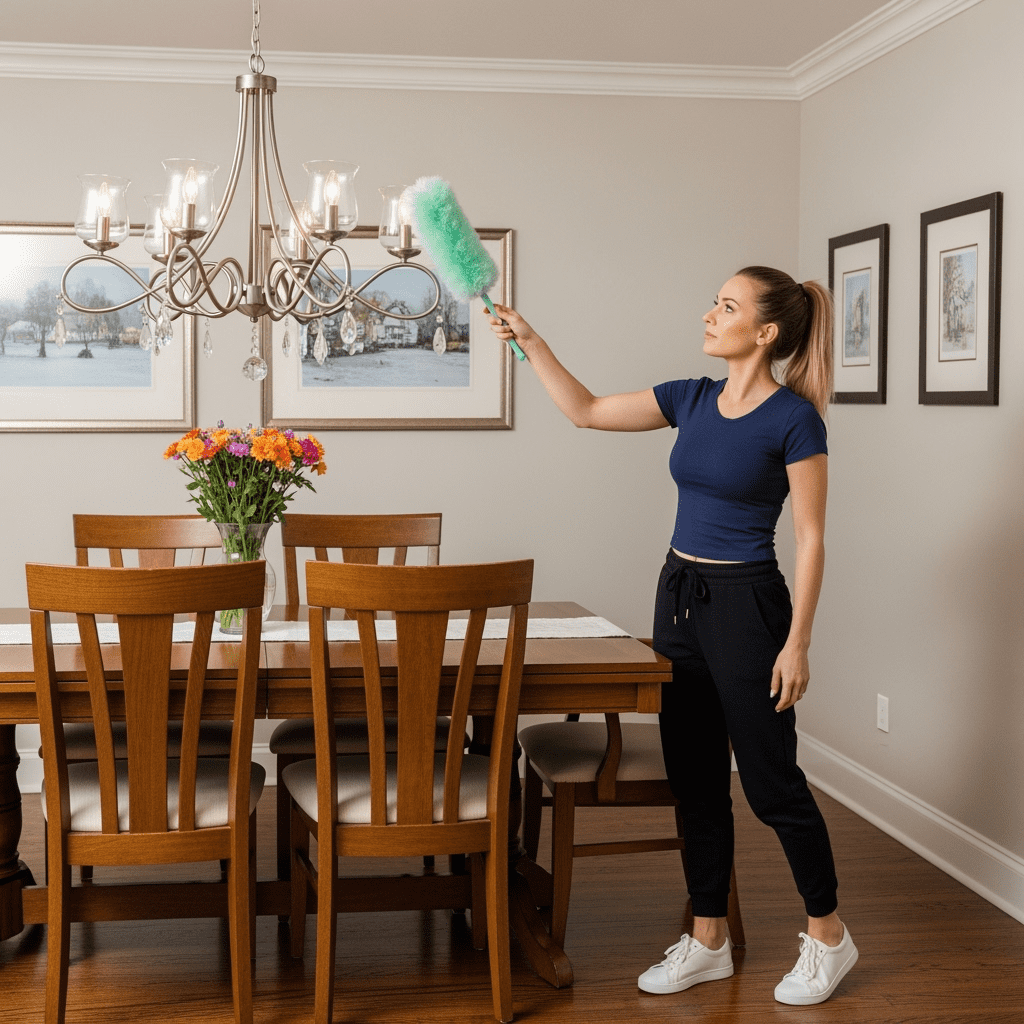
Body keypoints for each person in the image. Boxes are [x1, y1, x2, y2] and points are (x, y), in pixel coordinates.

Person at [484, 266, 858, 1007]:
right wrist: (531, 342)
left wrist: (799, 643)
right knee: (693, 780)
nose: (710, 314)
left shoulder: (794, 419)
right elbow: (586, 410)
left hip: (749, 607)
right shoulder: (691, 397)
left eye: (727, 306)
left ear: (766, 332)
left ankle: (829, 936)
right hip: (679, 597)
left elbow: (813, 538)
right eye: (716, 302)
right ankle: (708, 936)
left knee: (769, 782)